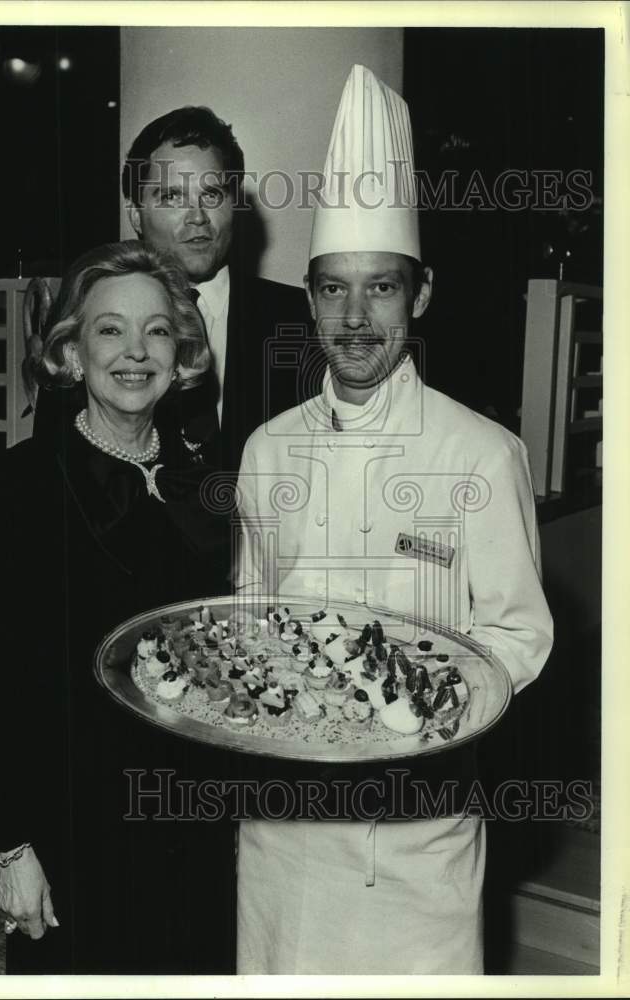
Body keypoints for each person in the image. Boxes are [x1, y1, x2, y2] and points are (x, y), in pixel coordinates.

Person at [234, 66, 554, 974]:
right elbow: (252, 608)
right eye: (333, 290)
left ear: (420, 295)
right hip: (284, 822)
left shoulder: (479, 452)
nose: (356, 316)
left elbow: (520, 635)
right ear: (308, 299)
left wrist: (420, 708)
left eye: (381, 288)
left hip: (414, 832)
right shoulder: (266, 450)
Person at [0, 240, 237, 974]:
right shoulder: (19, 489)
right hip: (72, 822)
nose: (135, 351)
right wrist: (14, 847)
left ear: (180, 356)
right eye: (109, 329)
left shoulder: (208, 489)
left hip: (194, 818)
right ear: (72, 355)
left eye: (156, 331)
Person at [34, 106, 315, 474]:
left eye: (212, 194)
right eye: (171, 197)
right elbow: (52, 467)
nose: (197, 216)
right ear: (136, 215)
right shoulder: (89, 322)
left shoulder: (299, 319)